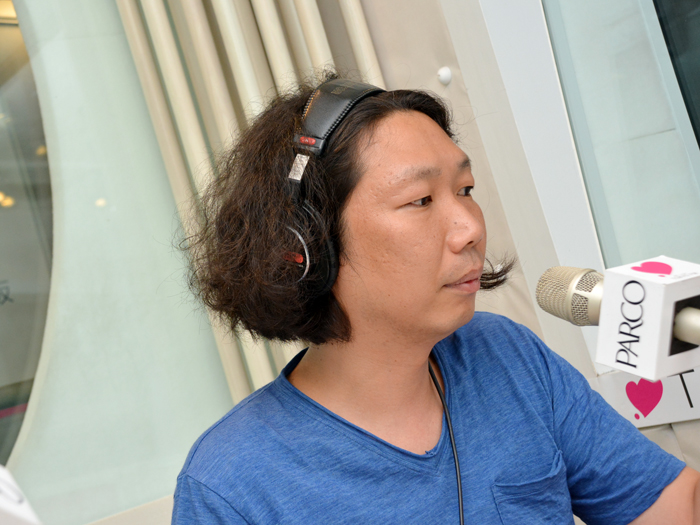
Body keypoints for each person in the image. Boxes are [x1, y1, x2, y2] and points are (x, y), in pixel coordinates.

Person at [172, 74, 700, 524]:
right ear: (306, 246)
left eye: (465, 190)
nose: (470, 228)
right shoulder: (232, 484)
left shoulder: (508, 358)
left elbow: (676, 509)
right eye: (420, 200)